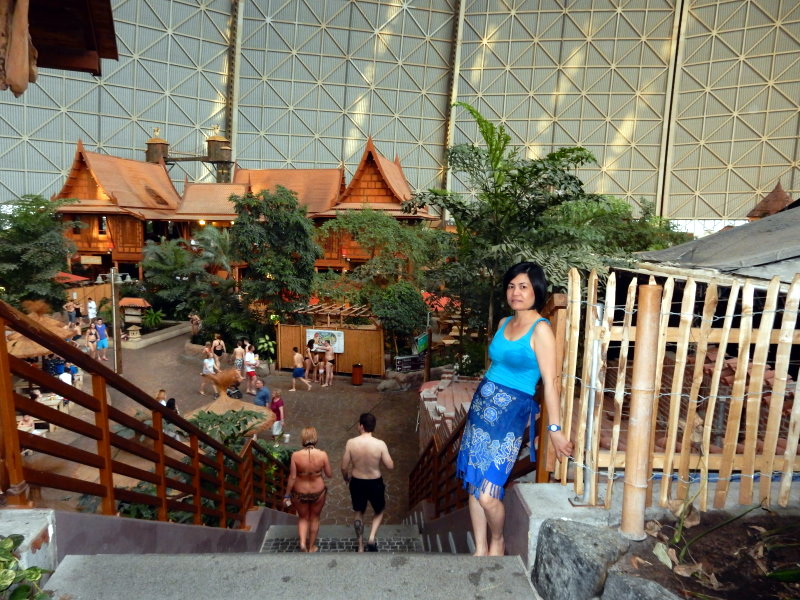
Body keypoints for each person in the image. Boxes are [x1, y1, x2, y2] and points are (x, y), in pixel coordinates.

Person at [456, 262, 573, 557]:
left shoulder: (541, 330)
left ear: (537, 291)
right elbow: (497, 364)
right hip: (482, 410)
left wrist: (554, 429)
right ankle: (480, 549)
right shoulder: (503, 323)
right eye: (511, 286)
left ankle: (497, 540)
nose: (515, 292)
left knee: (487, 492)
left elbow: (551, 383)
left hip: (510, 417)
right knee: (473, 481)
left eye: (523, 287)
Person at [341, 412, 394, 552]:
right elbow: (390, 466)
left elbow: (344, 467)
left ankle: (360, 546)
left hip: (357, 481)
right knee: (379, 510)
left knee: (358, 511)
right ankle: (371, 538)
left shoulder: (351, 443)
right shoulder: (380, 444)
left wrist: (346, 478)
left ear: (361, 426)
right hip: (375, 482)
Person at [284, 427, 332, 552]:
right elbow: (329, 474)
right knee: (315, 518)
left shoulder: (295, 456)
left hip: (300, 492)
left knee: (303, 517)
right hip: (318, 492)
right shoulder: (323, 455)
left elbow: (292, 477)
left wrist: (287, 494)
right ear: (315, 438)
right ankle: (311, 547)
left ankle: (302, 543)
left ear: (303, 438)